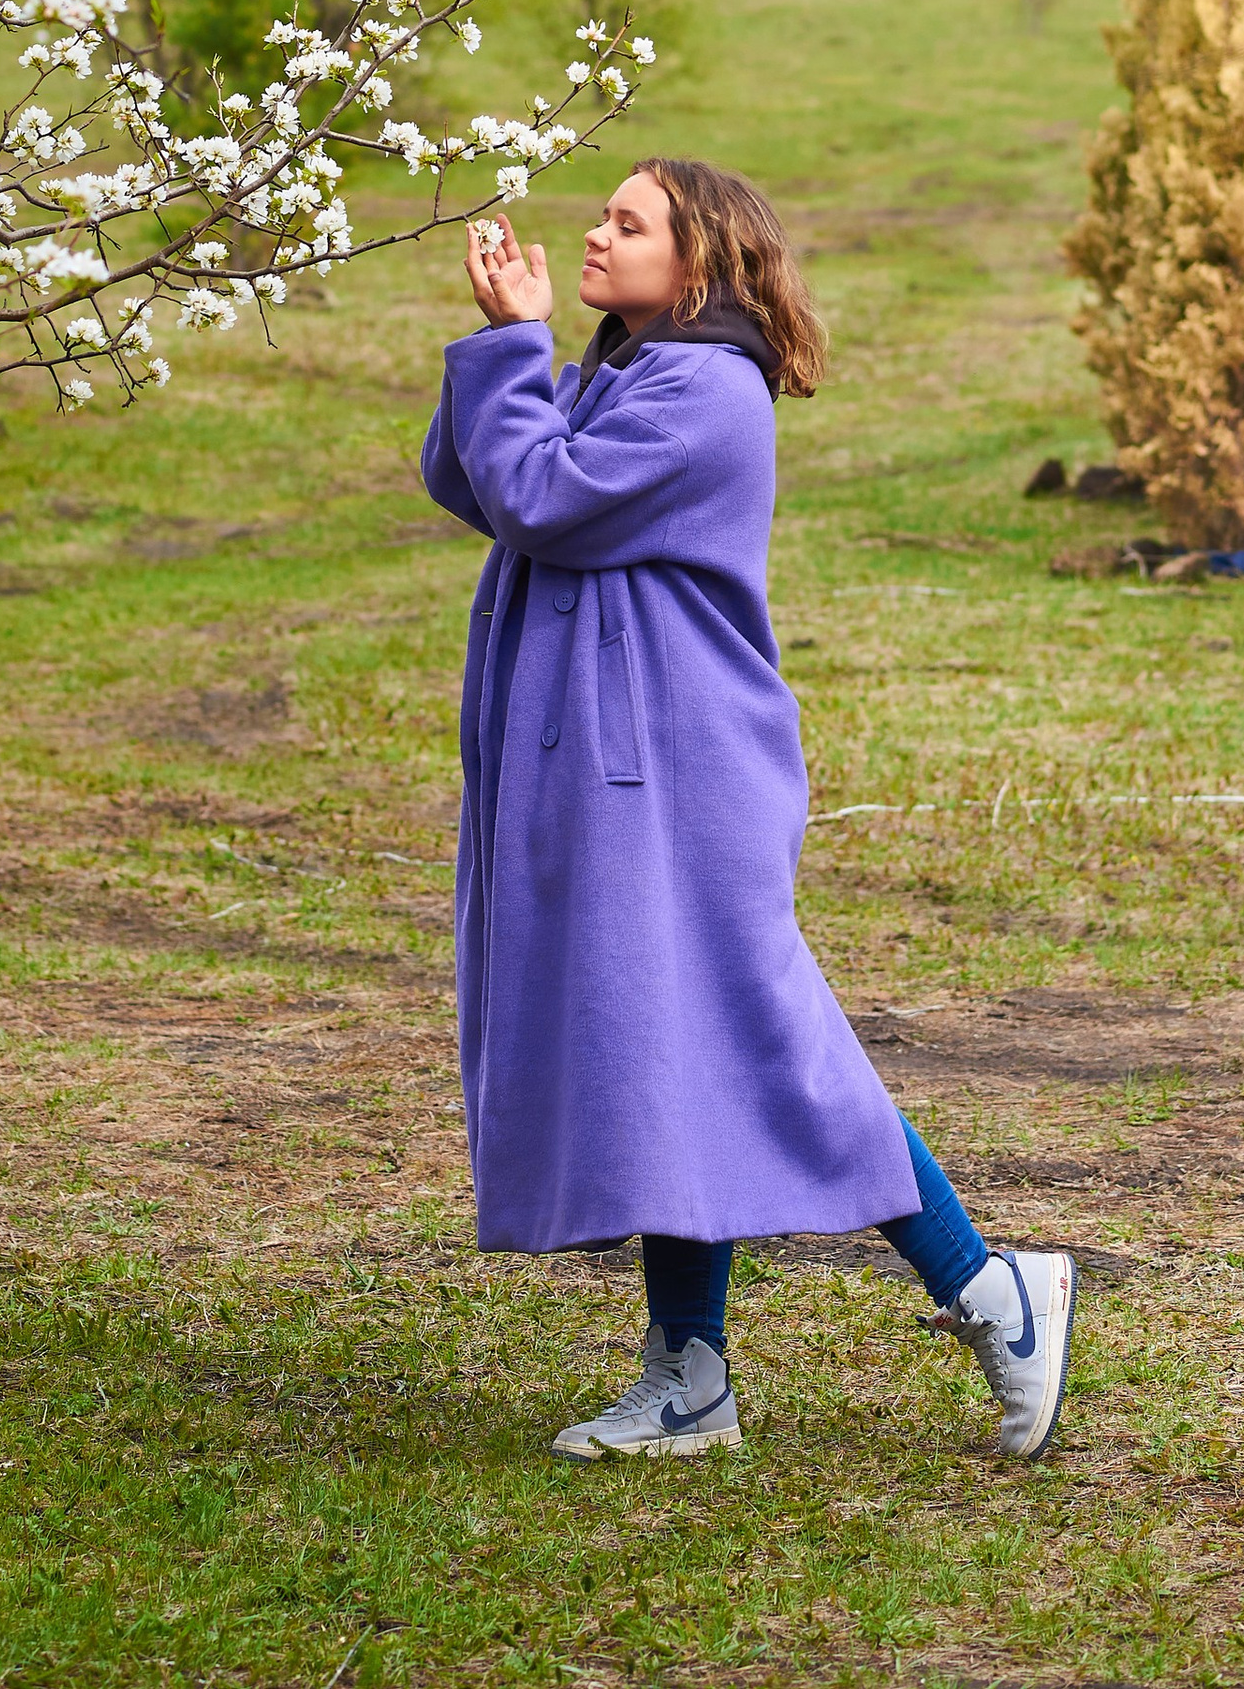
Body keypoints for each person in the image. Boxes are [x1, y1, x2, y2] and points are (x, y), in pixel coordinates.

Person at [422, 154, 1076, 1464]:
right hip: (626, 767)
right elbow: (473, 480)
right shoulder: (626, 375)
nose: (595, 235)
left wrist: (513, 350)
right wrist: (506, 351)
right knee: (670, 1053)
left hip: (681, 771)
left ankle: (995, 1291)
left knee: (768, 1041)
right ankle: (692, 1379)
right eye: (602, 217)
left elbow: (540, 498)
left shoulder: (708, 393)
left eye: (629, 224)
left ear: (701, 261)